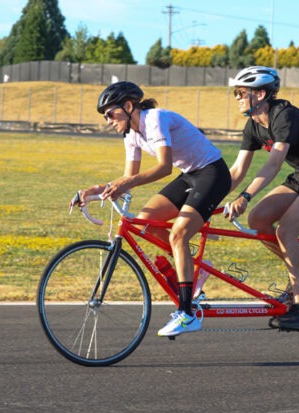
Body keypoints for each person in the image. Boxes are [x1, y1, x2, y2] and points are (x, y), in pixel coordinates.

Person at [77, 81, 231, 337]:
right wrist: (92, 190)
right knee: (144, 223)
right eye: (105, 117)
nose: (108, 121)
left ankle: (186, 314)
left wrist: (124, 183)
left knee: (178, 234)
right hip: (190, 174)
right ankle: (197, 269)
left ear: (128, 106)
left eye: (110, 114)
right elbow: (129, 177)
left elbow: (164, 167)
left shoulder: (154, 119)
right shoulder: (131, 136)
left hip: (212, 172)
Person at [225, 66, 299, 331]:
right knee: (258, 219)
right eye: (235, 92)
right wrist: (209, 199)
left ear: (260, 94)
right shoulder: (252, 126)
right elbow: (236, 171)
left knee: (286, 231)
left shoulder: (284, 115)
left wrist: (246, 195)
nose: (236, 97)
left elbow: (274, 164)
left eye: (241, 92)